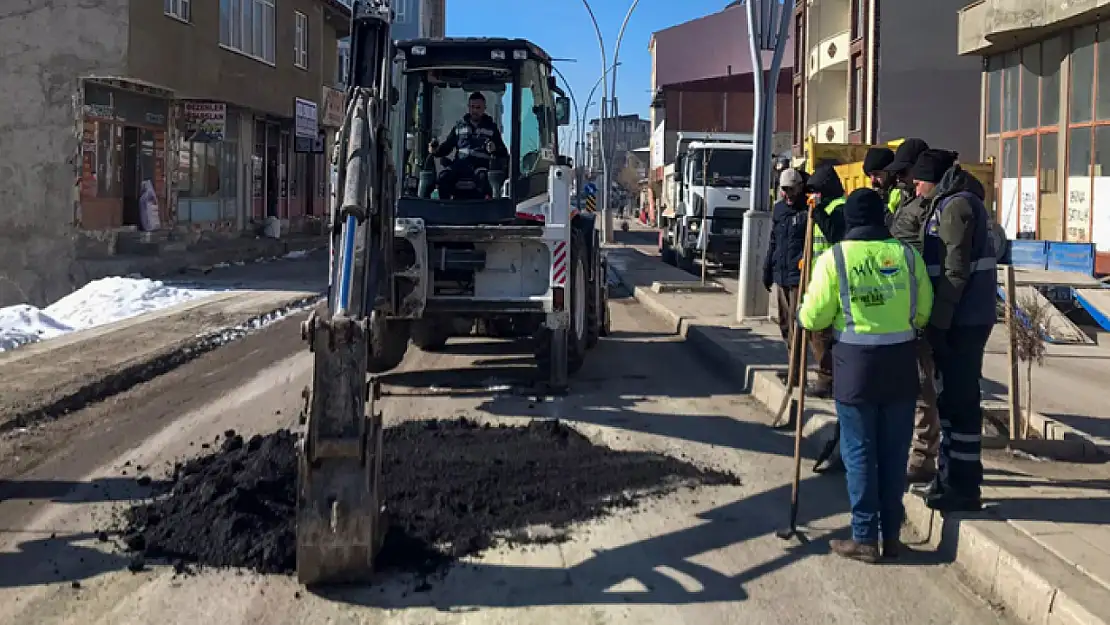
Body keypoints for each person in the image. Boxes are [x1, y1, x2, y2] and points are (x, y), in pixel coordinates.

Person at [797, 188, 934, 563]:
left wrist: (804, 314)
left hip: (855, 369)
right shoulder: (906, 256)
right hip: (901, 366)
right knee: (893, 455)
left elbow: (813, 318)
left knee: (859, 453)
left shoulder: (834, 258)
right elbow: (924, 310)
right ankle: (892, 536)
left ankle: (864, 538)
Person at [913, 149, 997, 512]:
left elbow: (954, 271)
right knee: (951, 402)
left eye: (918, 182)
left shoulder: (956, 207)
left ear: (932, 179)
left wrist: (939, 325)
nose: (915, 190)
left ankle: (962, 485)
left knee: (960, 402)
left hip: (963, 321)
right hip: (960, 318)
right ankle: (949, 478)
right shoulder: (948, 203)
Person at [882, 137, 941, 483]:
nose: (903, 180)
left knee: (924, 386)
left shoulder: (931, 207)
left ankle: (923, 457)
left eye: (905, 173)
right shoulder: (909, 201)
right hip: (901, 304)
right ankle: (916, 451)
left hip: (922, 306)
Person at [802, 164, 847, 399]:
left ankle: (827, 381)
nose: (813, 195)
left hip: (834, 280)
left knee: (821, 332)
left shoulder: (839, 208)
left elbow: (834, 235)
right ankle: (827, 378)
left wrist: (818, 211)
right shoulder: (825, 206)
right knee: (817, 333)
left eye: (816, 190)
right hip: (819, 278)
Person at [763, 168, 810, 348]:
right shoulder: (779, 209)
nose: (788, 194)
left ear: (800, 187)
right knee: (784, 322)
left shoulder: (807, 209)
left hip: (798, 275)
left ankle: (796, 369)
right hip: (781, 274)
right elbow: (773, 241)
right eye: (785, 189)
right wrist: (767, 270)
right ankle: (791, 362)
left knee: (795, 321)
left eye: (792, 189)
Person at [429, 92, 509, 196]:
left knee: (484, 179)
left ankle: (484, 209)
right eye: (472, 107)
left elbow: (503, 152)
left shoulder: (491, 128)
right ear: (468, 107)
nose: (475, 110)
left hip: (480, 166)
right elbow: (447, 146)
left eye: (478, 107)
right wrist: (435, 151)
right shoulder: (459, 126)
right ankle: (445, 207)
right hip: (460, 165)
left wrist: (495, 149)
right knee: (443, 177)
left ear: (484, 108)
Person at [861, 147, 899, 213]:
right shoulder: (874, 196)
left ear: (890, 172)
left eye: (876, 174)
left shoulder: (901, 195)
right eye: (870, 175)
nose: (873, 180)